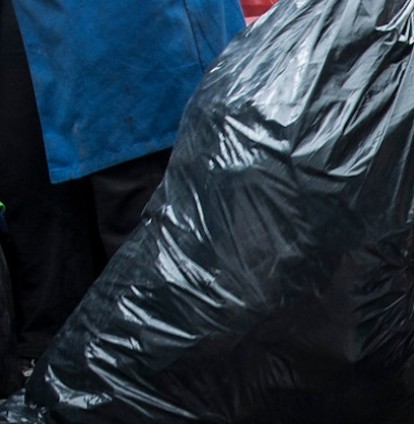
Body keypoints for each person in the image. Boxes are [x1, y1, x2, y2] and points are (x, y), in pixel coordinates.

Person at [0, 0, 245, 388]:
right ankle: (62, 368)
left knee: (148, 224)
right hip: (38, 40)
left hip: (130, 42)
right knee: (43, 203)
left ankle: (161, 376)